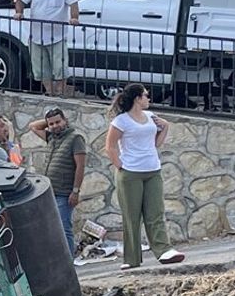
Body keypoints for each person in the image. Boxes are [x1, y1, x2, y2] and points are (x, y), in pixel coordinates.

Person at [104, 83, 185, 270]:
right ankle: (131, 258)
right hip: (130, 173)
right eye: (146, 95)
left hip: (152, 170)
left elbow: (155, 143)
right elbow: (110, 146)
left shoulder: (150, 116)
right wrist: (120, 166)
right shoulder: (121, 121)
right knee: (132, 216)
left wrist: (165, 127)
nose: (149, 98)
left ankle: (164, 250)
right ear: (137, 98)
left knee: (156, 212)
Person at [14, 0, 80, 97]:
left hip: (58, 35)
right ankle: (50, 92)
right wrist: (19, 12)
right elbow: (21, 0)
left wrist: (74, 17)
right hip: (36, 35)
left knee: (60, 68)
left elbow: (74, 3)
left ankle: (60, 93)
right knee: (40, 69)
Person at [27, 108, 86, 255]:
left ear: (65, 120)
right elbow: (33, 126)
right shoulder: (52, 137)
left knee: (64, 228)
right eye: (51, 124)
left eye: (58, 122)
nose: (55, 126)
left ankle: (69, 261)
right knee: (51, 228)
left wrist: (75, 191)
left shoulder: (75, 138)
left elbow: (80, 166)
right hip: (49, 192)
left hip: (64, 193)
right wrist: (49, 121)